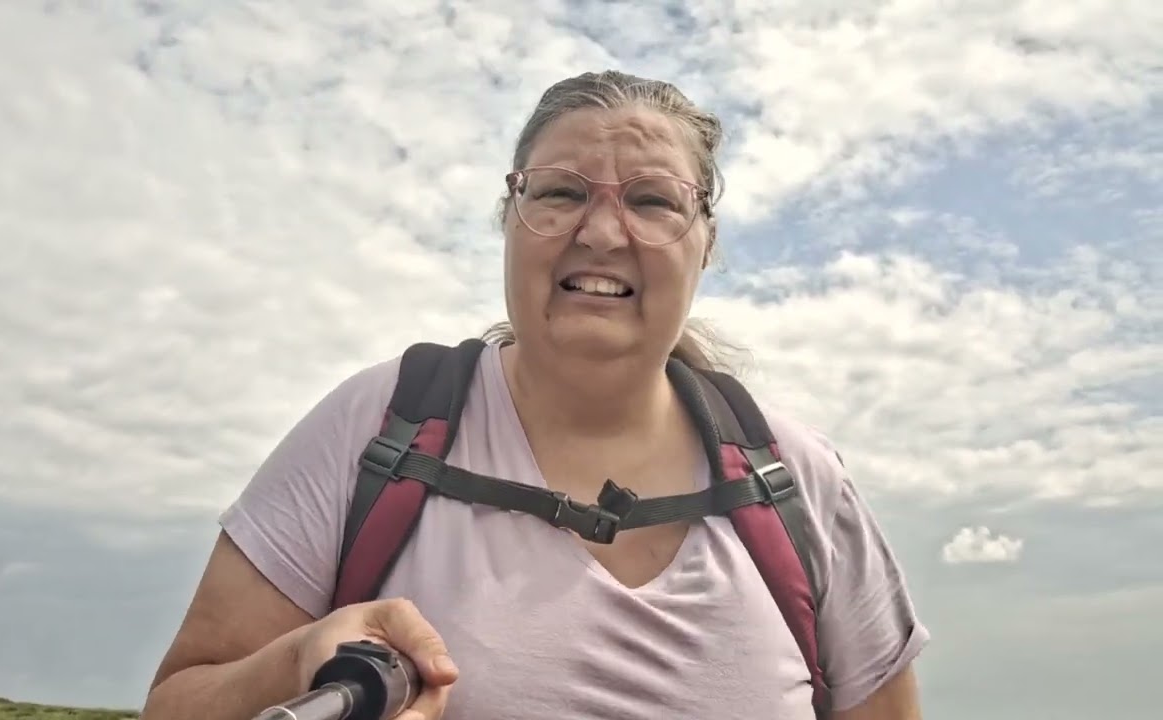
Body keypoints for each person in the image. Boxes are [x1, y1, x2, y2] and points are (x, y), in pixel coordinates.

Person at [140, 70, 930, 720]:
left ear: (706, 242)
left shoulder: (798, 479)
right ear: (509, 217)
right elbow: (178, 702)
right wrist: (297, 665)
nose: (602, 233)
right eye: (560, 193)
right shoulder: (376, 427)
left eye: (652, 201)